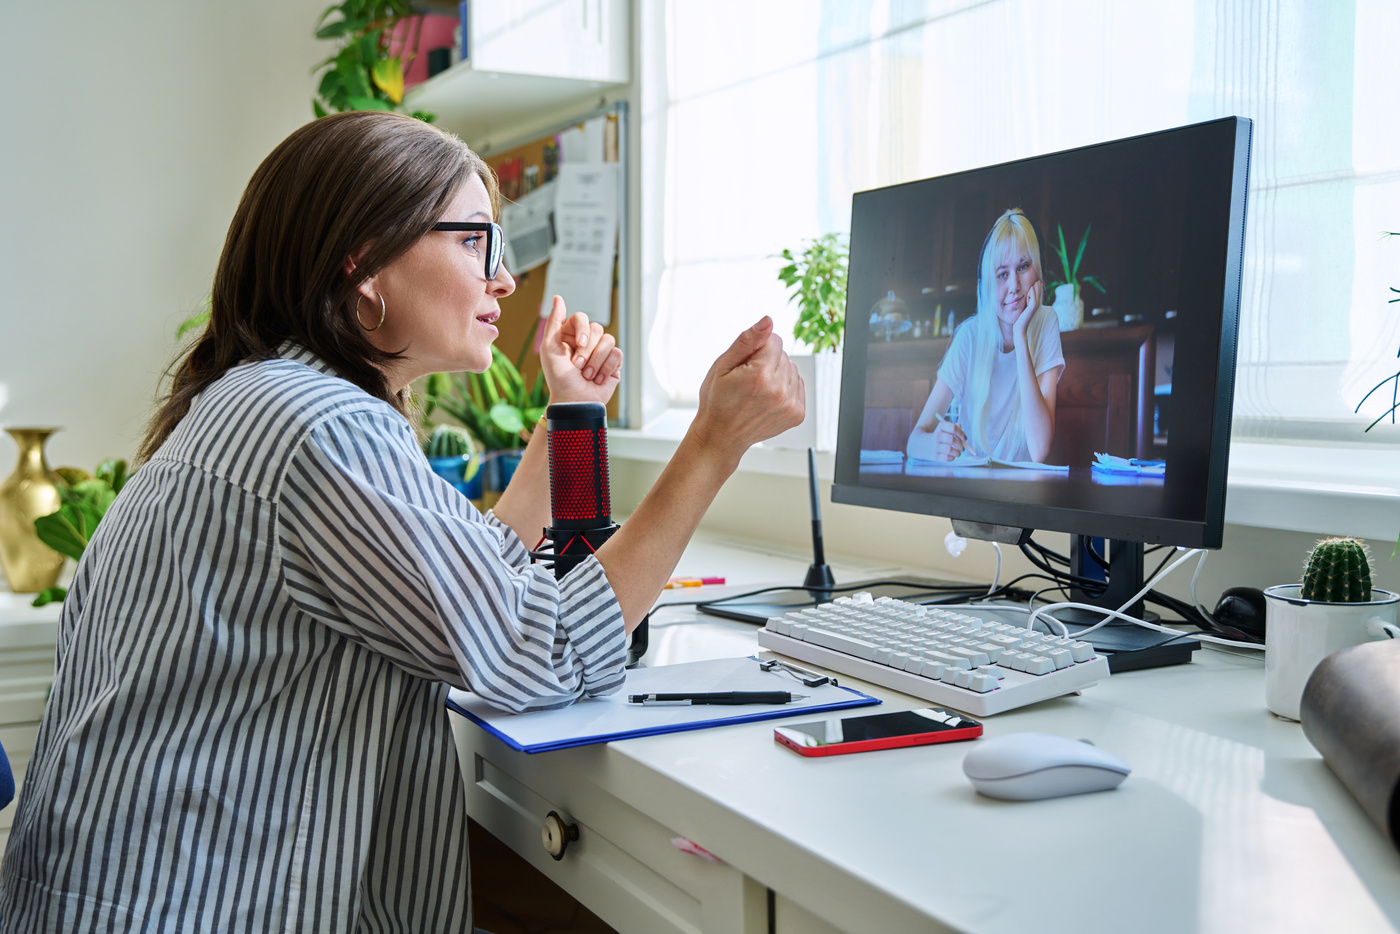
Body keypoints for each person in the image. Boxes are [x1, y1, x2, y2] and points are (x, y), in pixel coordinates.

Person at [0, 111, 804, 932]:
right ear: (363, 261)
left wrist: (571, 420)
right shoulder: (320, 426)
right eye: (474, 242)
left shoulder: (266, 397)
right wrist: (712, 444)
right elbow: (545, 646)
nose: (505, 281)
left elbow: (470, 576)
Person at [906, 208, 1064, 464]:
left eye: (1023, 267)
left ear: (1037, 271)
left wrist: (1020, 335)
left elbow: (1039, 449)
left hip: (1022, 493)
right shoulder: (969, 336)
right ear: (988, 284)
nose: (1014, 286)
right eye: (1002, 274)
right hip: (972, 488)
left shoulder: (1046, 322)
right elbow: (914, 441)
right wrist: (933, 445)